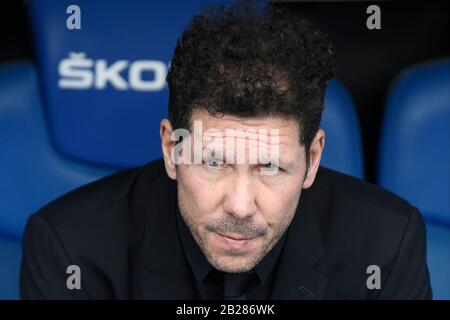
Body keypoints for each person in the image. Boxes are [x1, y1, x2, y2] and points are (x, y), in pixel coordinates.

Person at [20, 1, 432, 299]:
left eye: (270, 167)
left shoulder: (386, 243)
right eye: (214, 162)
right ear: (171, 149)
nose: (239, 206)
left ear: (313, 159)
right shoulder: (67, 248)